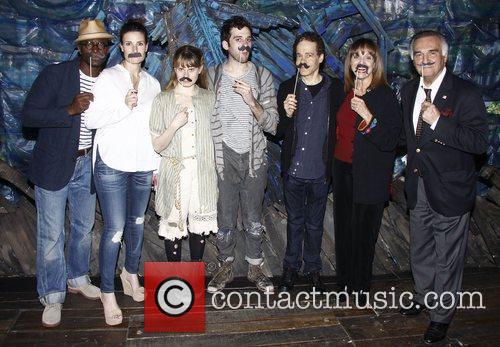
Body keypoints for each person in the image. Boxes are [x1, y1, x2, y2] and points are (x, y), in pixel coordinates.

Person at [21, 19, 112, 328]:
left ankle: (77, 276)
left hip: (89, 165)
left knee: (84, 227)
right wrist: (69, 111)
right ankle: (52, 294)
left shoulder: (110, 82)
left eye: (103, 43)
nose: (97, 48)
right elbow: (29, 115)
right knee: (51, 235)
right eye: (91, 43)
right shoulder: (56, 75)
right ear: (79, 47)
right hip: (54, 164)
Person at [399, 30, 488, 343]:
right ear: (412, 59)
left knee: (447, 256)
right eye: (419, 54)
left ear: (444, 56)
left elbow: (479, 143)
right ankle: (425, 296)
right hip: (417, 186)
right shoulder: (409, 89)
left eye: (432, 53)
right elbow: (409, 141)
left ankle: (441, 316)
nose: (425, 59)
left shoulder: (465, 93)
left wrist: (439, 121)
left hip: (450, 189)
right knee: (420, 249)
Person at [85, 19, 161, 326]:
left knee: (138, 223)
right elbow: (90, 119)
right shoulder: (108, 78)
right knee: (115, 229)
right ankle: (107, 291)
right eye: (128, 44)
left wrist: (157, 166)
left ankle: (130, 274)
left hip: (142, 164)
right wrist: (122, 106)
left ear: (146, 48)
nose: (134, 49)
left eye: (139, 44)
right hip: (112, 164)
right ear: (121, 47)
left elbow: (153, 130)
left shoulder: (154, 84)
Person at [206, 16, 278, 293]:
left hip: (254, 157)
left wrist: (252, 101)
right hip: (222, 158)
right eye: (238, 39)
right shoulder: (212, 77)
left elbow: (272, 124)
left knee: (253, 217)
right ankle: (224, 265)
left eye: (248, 38)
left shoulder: (262, 76)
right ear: (226, 44)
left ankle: (255, 266)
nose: (244, 44)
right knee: (224, 217)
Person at [333, 38, 401, 305]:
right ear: (350, 62)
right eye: (356, 56)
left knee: (364, 234)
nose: (361, 61)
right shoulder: (345, 91)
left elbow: (393, 140)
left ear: (375, 63)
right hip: (342, 170)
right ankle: (344, 284)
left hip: (369, 175)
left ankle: (360, 286)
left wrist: (367, 115)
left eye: (368, 57)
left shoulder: (383, 95)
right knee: (344, 231)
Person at [275, 32, 344, 293]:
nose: (303, 60)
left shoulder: (335, 89)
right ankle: (290, 270)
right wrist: (287, 113)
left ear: (320, 58)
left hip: (320, 172)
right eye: (299, 55)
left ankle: (313, 270)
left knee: (314, 225)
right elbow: (280, 132)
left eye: (309, 55)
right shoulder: (287, 88)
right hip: (293, 171)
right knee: (294, 223)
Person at [149, 45, 217, 262]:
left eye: (191, 68)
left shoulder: (209, 98)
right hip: (175, 173)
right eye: (180, 68)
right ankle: (175, 281)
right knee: (173, 227)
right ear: (174, 70)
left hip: (203, 173)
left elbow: (217, 138)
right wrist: (174, 125)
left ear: (200, 69)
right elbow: (157, 145)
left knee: (199, 227)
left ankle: (195, 276)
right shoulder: (163, 99)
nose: (185, 74)